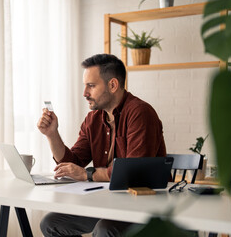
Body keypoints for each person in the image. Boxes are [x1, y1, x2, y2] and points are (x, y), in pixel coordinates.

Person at [37, 53, 166, 236]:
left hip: (141, 206)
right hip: (108, 202)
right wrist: (52, 134)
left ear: (112, 85)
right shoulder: (93, 119)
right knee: (51, 223)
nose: (85, 93)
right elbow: (73, 162)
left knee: (106, 229)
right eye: (85, 86)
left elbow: (133, 171)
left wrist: (87, 174)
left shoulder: (140, 113)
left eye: (91, 86)